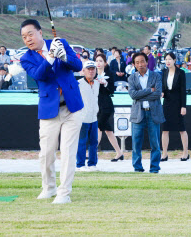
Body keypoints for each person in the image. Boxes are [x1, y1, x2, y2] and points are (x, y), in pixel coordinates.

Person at [20, 19, 84, 204]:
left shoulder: (60, 42)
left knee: (68, 151)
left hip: (72, 107)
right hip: (49, 109)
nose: (28, 39)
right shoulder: (26, 58)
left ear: (40, 32)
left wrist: (63, 56)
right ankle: (48, 187)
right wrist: (50, 58)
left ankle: (64, 193)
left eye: (30, 34)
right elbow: (39, 75)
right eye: (24, 37)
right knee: (46, 153)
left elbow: (77, 66)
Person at [128, 52, 164, 173]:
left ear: (147, 62)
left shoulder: (156, 76)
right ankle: (137, 168)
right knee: (136, 144)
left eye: (142, 61)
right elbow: (133, 95)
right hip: (138, 114)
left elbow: (158, 94)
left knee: (155, 143)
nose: (140, 64)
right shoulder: (131, 78)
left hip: (153, 113)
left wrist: (140, 95)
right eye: (137, 62)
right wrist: (149, 90)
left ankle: (154, 168)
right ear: (134, 64)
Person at [95, 54, 124, 161]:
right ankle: (119, 153)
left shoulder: (110, 74)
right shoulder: (92, 73)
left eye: (101, 61)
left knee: (98, 127)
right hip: (96, 106)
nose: (98, 63)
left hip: (106, 106)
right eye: (97, 61)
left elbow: (112, 90)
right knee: (108, 131)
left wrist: (105, 83)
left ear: (105, 63)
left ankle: (92, 152)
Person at [161, 53, 189, 161]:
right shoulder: (163, 72)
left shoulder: (181, 73)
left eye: (169, 59)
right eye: (166, 59)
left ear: (174, 60)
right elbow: (163, 86)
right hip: (167, 103)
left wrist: (183, 106)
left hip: (177, 103)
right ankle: (164, 153)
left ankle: (185, 153)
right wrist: (162, 92)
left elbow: (183, 90)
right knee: (165, 129)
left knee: (181, 129)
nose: (167, 61)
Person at [76, 61, 100, 172]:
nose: (91, 71)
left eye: (93, 69)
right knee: (82, 142)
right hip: (83, 117)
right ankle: (80, 164)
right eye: (88, 69)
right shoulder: (79, 84)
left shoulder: (98, 83)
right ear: (83, 71)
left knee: (94, 142)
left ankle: (92, 163)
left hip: (94, 117)